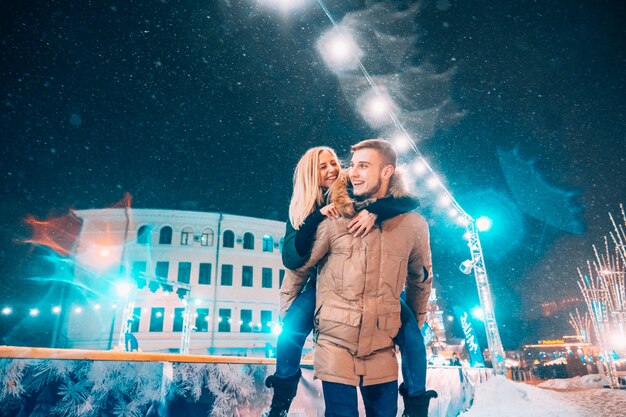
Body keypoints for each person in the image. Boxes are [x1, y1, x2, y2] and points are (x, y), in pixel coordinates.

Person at [280, 139, 437, 417]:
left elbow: (408, 202)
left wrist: (376, 210)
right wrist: (316, 218)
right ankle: (281, 396)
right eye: (323, 167)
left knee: (413, 333)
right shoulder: (313, 212)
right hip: (328, 300)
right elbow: (295, 264)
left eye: (335, 164)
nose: (336, 170)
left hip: (379, 317)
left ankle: (416, 404)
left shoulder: (373, 204)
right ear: (309, 175)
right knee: (291, 327)